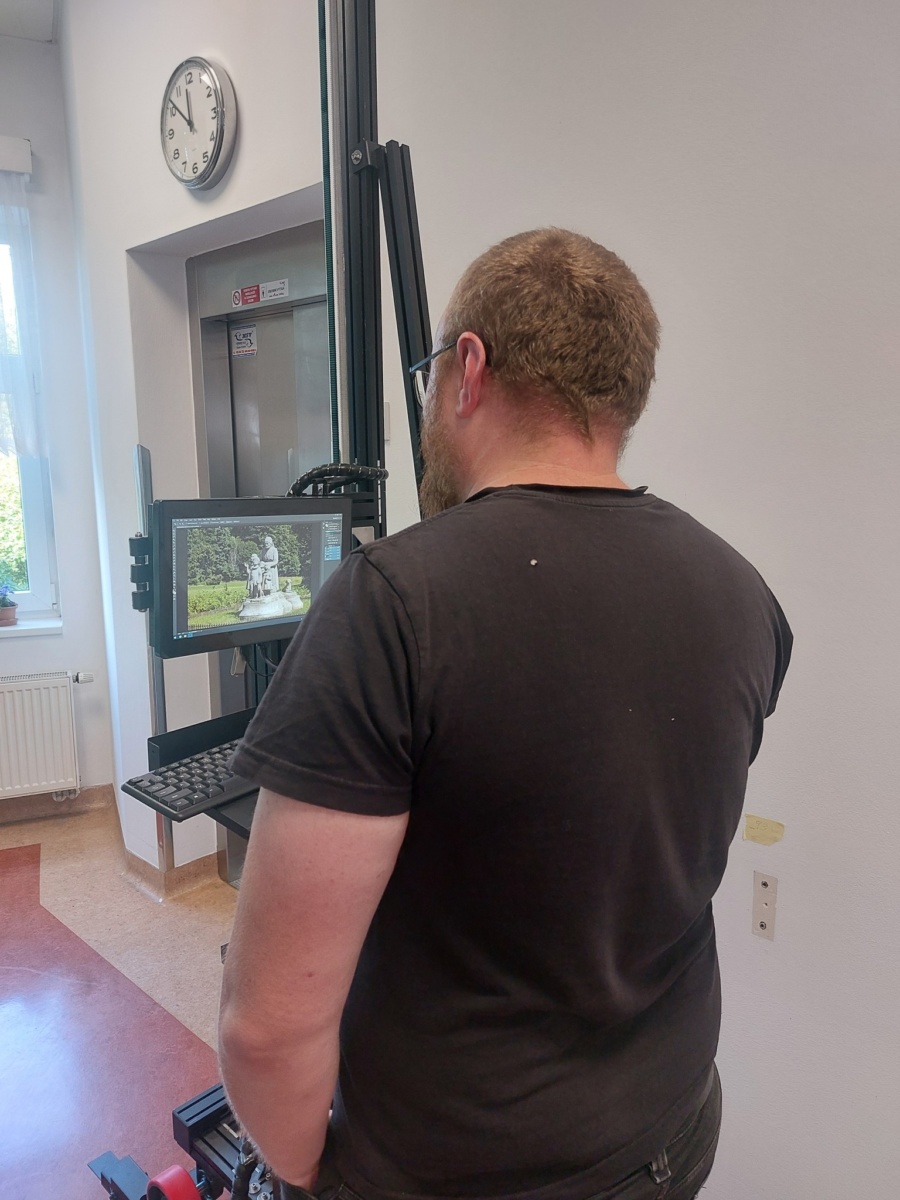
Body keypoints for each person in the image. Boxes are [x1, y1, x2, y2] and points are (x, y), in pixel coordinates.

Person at [219, 228, 792, 1200]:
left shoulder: (392, 604)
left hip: (459, 1171)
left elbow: (268, 1028)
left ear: (469, 369)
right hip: (673, 1128)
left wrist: (317, 1176)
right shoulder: (742, 593)